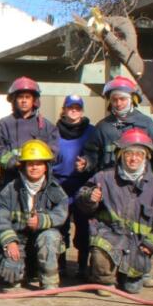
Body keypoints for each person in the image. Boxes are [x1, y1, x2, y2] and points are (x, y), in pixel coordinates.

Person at [77, 129, 153, 296]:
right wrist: (89, 198)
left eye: (139, 154)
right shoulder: (104, 178)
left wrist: (151, 245)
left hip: (138, 245)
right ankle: (104, 277)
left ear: (146, 157)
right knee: (104, 284)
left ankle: (138, 274)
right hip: (109, 239)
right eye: (129, 153)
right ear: (120, 155)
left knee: (132, 289)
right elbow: (81, 203)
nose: (133, 158)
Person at [0, 139, 67, 291]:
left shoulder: (54, 189)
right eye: (30, 164)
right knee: (11, 279)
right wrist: (10, 241)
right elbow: (1, 218)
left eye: (39, 163)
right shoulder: (10, 189)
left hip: (41, 242)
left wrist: (42, 221)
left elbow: (61, 213)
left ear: (46, 167)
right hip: (18, 240)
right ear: (23, 166)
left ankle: (49, 282)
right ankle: (21, 272)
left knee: (50, 236)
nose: (34, 168)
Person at [79, 76, 153, 175]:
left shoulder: (147, 124)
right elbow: (92, 154)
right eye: (114, 100)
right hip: (111, 187)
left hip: (141, 187)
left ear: (132, 100)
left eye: (122, 99)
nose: (118, 103)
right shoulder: (103, 127)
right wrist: (86, 162)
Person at [0, 76, 60, 190]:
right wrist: (13, 162)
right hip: (10, 183)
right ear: (14, 100)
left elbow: (53, 151)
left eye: (27, 97)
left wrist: (34, 165)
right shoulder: (3, 125)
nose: (24, 101)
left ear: (34, 101)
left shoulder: (47, 126)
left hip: (39, 186)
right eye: (20, 97)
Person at [52, 95, 95, 277]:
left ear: (82, 110)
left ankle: (82, 265)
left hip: (82, 184)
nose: (74, 110)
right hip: (59, 183)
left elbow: (97, 155)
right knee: (60, 225)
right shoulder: (53, 131)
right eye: (71, 107)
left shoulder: (92, 131)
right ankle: (61, 263)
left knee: (83, 225)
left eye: (77, 107)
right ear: (64, 109)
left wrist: (87, 163)